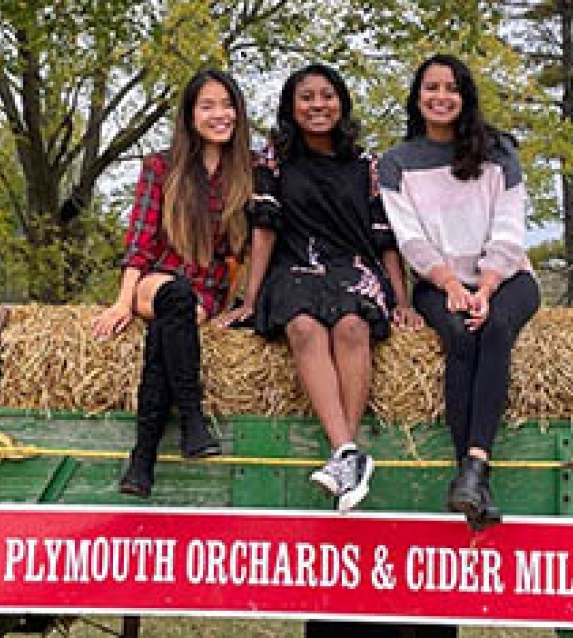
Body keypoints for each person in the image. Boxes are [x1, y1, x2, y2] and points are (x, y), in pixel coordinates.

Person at [218, 63, 420, 512]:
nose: (317, 105)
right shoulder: (271, 161)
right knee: (305, 328)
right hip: (295, 267)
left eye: (327, 96)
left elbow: (385, 237)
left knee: (352, 325)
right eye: (306, 97)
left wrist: (402, 301)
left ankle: (343, 456)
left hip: (353, 265)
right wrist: (250, 299)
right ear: (291, 107)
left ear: (342, 103)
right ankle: (348, 451)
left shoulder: (366, 165)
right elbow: (264, 230)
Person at [379, 54, 540, 531]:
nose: (441, 97)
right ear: (417, 97)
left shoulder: (499, 152)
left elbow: (510, 229)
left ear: (465, 97)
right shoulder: (396, 163)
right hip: (436, 280)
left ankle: (473, 469)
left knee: (494, 329)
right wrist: (449, 283)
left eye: (451, 88)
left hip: (507, 278)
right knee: (460, 338)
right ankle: (471, 481)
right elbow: (409, 238)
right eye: (431, 88)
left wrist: (486, 285)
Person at [92, 69, 253, 499]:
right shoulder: (160, 167)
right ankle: (193, 421)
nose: (220, 114)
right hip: (157, 278)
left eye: (227, 104)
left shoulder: (249, 172)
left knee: (170, 330)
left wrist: (243, 302)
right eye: (208, 106)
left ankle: (142, 459)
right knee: (173, 297)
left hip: (207, 289)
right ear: (189, 115)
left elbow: (253, 248)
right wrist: (123, 302)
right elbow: (139, 242)